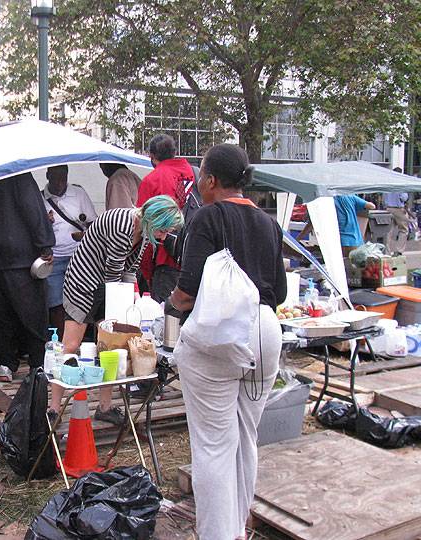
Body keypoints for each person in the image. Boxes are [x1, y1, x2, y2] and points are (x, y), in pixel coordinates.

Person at [169, 144, 287, 540]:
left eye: (201, 175)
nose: (198, 183)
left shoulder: (208, 217)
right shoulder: (269, 223)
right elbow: (280, 292)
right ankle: (236, 528)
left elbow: (187, 290)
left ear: (212, 180)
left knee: (215, 445)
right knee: (245, 437)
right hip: (264, 332)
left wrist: (169, 304)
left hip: (219, 337)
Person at [49, 195, 183, 425]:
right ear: (154, 220)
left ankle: (105, 406)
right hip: (83, 283)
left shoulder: (142, 233)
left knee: (110, 348)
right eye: (163, 231)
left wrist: (131, 303)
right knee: (71, 344)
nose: (163, 237)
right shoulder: (123, 224)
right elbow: (114, 271)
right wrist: (118, 309)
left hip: (109, 287)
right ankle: (53, 408)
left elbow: (129, 271)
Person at [0, 173, 55, 382]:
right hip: (19, 256)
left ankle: (5, 365)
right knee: (33, 313)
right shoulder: (20, 176)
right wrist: (45, 244)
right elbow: (33, 210)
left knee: (0, 315)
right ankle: (38, 364)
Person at [137, 134, 195, 302]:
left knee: (165, 322)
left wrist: (146, 272)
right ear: (174, 152)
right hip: (194, 260)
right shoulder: (197, 176)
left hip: (166, 262)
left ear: (152, 157)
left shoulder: (152, 180)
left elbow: (144, 230)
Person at [42, 164, 97, 336]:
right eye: (56, 178)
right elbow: (33, 229)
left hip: (78, 255)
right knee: (55, 302)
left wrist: (84, 235)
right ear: (47, 175)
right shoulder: (39, 198)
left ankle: (80, 338)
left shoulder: (78, 193)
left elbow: (92, 223)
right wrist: (45, 222)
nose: (60, 183)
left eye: (63, 178)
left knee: (81, 299)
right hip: (54, 257)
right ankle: (61, 339)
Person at [384, 168, 410, 254]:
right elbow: (403, 197)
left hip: (388, 209)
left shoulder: (387, 184)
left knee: (388, 231)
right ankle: (399, 250)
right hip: (398, 209)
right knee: (404, 229)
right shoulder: (400, 183)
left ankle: (386, 251)